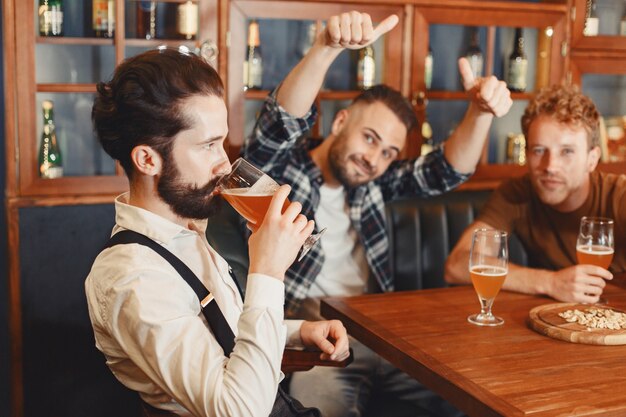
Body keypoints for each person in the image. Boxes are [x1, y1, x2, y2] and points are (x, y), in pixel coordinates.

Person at [243, 11, 512, 417]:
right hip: (316, 338)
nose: (374, 159)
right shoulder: (283, 172)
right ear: (341, 121)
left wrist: (480, 112)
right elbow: (279, 125)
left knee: (473, 399)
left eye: (388, 152)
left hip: (381, 337)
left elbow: (445, 171)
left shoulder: (373, 182)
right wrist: (326, 48)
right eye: (369, 139)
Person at [85, 48, 350, 417]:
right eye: (208, 145)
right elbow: (238, 408)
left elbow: (216, 333)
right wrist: (268, 270)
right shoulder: (133, 277)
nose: (225, 163)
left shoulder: (183, 230)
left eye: (222, 142)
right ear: (147, 159)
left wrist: (297, 331)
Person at [446, 84, 626, 303]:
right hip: (550, 323)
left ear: (592, 159)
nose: (550, 166)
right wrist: (550, 282)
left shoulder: (618, 195)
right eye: (539, 150)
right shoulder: (518, 193)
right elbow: (457, 265)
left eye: (567, 152)